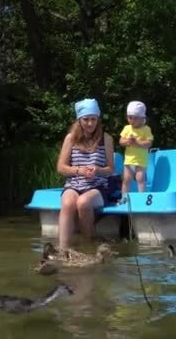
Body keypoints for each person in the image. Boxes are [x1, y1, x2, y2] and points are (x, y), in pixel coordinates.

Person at [56, 98, 115, 249]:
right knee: (68, 203)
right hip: (74, 183)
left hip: (98, 186)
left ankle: (88, 245)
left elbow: (110, 169)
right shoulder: (70, 138)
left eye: (93, 119)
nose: (90, 123)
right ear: (79, 120)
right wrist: (78, 170)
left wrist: (98, 170)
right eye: (86, 119)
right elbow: (61, 168)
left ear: (98, 119)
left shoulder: (106, 139)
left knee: (83, 202)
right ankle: (63, 250)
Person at [118, 101, 153, 204]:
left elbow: (148, 143)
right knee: (126, 179)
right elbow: (121, 141)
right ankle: (124, 198)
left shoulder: (146, 129)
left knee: (140, 178)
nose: (132, 120)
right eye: (130, 117)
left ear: (143, 118)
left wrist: (137, 142)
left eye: (135, 118)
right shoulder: (127, 128)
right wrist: (127, 141)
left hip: (140, 160)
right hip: (129, 160)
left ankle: (142, 198)